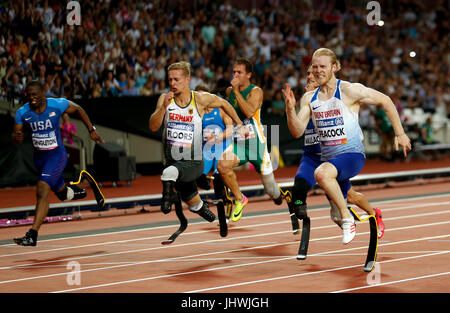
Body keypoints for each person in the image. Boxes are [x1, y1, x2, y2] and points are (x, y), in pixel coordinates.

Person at [283, 48, 410, 244]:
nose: (317, 71)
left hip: (351, 155)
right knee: (335, 210)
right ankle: (370, 215)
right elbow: (297, 131)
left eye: (323, 66)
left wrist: (400, 133)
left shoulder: (349, 90)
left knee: (322, 174)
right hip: (330, 159)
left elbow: (385, 100)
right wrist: (290, 110)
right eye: (314, 67)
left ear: (335, 67)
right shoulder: (309, 98)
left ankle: (347, 217)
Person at [288, 65, 385, 239]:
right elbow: (296, 130)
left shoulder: (329, 101)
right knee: (303, 185)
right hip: (312, 159)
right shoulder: (307, 103)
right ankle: (335, 216)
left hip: (333, 158)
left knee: (350, 196)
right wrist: (290, 109)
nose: (308, 78)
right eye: (308, 76)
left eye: (312, 77)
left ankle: (374, 214)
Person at [149, 61, 245, 223]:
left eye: (177, 79)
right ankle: (203, 210)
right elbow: (153, 126)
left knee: (169, 174)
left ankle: (167, 198)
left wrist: (239, 123)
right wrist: (162, 108)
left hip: (193, 160)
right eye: (170, 79)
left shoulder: (199, 99)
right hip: (173, 158)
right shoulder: (165, 100)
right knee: (190, 198)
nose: (172, 83)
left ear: (187, 80)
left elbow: (223, 103)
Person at [12, 80, 103, 246]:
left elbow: (79, 109)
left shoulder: (57, 104)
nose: (32, 98)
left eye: (35, 95)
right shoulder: (22, 112)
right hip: (39, 159)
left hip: (57, 156)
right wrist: (16, 138)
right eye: (29, 95)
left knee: (42, 189)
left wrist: (91, 130)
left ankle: (32, 234)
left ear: (43, 94)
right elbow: (16, 137)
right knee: (61, 193)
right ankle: (78, 192)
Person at [217, 58, 284, 223]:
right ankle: (240, 198)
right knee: (222, 165)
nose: (235, 75)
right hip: (239, 144)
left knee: (271, 190)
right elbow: (229, 113)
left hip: (257, 146)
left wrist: (237, 92)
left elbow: (248, 112)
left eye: (239, 72)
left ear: (248, 75)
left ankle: (281, 197)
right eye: (234, 72)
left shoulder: (256, 91)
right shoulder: (229, 92)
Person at [194, 84, 233, 190]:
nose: (201, 100)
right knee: (199, 177)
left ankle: (222, 194)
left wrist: (216, 137)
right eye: (198, 97)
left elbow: (230, 130)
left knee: (219, 176)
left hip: (223, 148)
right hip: (207, 149)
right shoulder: (197, 115)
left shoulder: (220, 110)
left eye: (203, 96)